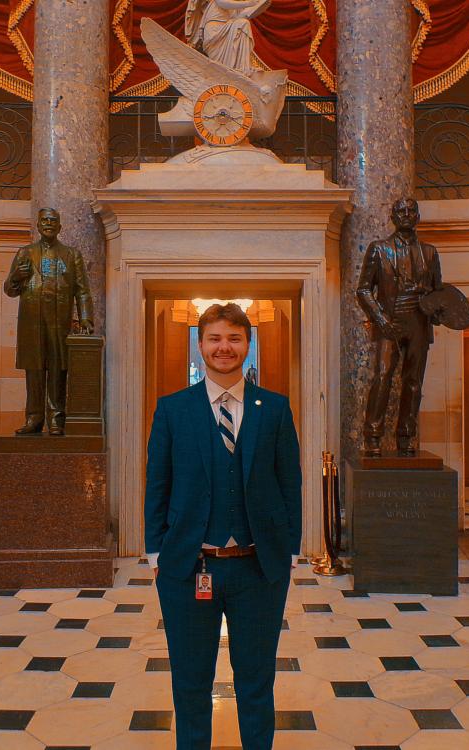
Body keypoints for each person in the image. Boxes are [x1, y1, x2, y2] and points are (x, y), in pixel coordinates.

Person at [144, 302, 301, 750]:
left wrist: (289, 549)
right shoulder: (173, 410)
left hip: (259, 569)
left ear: (248, 346)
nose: (224, 347)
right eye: (214, 338)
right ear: (200, 345)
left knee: (256, 681)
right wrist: (156, 553)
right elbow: (158, 483)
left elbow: (290, 480)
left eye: (234, 338)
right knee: (191, 683)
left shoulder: (273, 408)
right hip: (188, 567)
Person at [356, 197, 443, 456]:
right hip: (390, 320)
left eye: (411, 211)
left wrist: (437, 312)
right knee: (382, 377)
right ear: (393, 217)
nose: (406, 215)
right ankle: (372, 436)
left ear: (417, 216)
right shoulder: (379, 249)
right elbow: (363, 289)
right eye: (401, 211)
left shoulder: (430, 252)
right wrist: (380, 319)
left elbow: (439, 292)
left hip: (418, 320)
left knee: (413, 381)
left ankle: (406, 436)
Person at [3, 208, 93, 435]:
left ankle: (56, 419)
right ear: (38, 225)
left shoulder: (72, 255)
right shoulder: (25, 253)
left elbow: (82, 290)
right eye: (44, 220)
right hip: (31, 323)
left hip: (59, 322)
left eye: (53, 221)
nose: (49, 224)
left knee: (57, 369)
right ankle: (34, 418)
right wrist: (16, 277)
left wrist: (86, 318)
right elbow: (9, 290)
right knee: (34, 370)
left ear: (60, 227)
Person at [185, 0, 271, 75]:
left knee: (244, 23)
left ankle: (242, 67)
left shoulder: (236, 4)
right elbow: (222, 3)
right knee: (243, 24)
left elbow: (243, 16)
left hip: (227, 29)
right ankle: (238, 69)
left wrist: (260, 5)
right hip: (215, 30)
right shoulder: (230, 3)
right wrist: (248, 3)